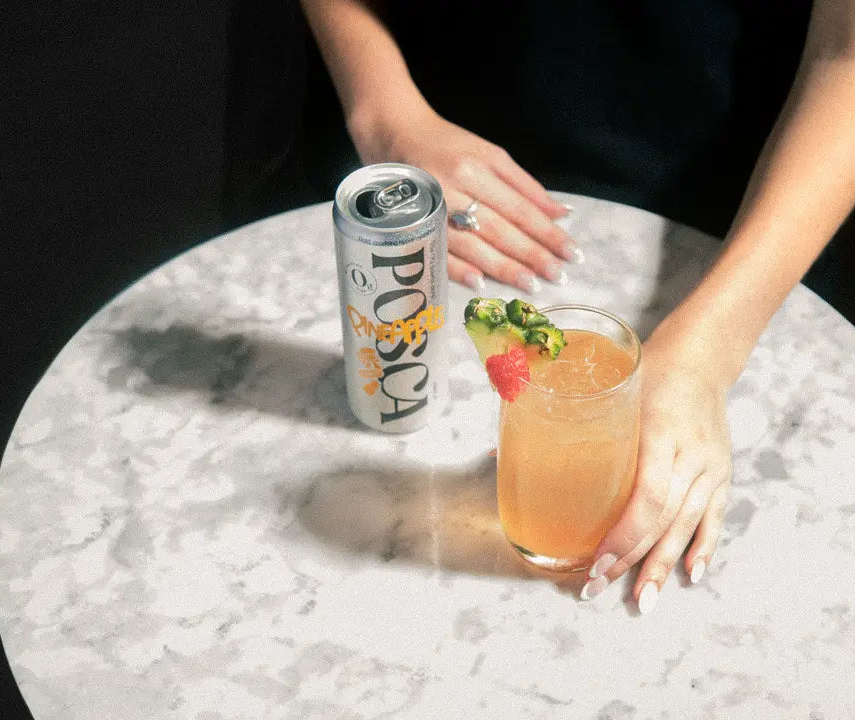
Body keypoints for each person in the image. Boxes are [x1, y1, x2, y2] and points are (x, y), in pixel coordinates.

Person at [301, 0, 855, 612]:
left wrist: (705, 357)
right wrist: (385, 112)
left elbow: (847, 53)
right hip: (423, 151)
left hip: (732, 214)